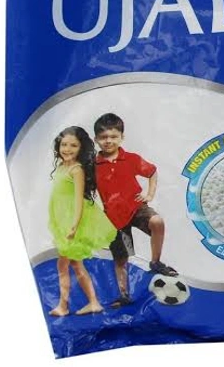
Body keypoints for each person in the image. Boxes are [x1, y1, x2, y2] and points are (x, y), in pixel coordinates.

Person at [94, 113, 177, 308]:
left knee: (157, 222)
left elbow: (152, 172)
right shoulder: (93, 165)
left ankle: (155, 262)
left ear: (122, 137)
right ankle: (124, 295)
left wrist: (150, 194)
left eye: (113, 136)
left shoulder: (131, 159)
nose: (108, 141)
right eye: (104, 137)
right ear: (96, 139)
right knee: (121, 259)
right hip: (113, 218)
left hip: (135, 207)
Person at [48, 126, 116, 316]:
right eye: (64, 144)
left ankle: (67, 305)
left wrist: (74, 226)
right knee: (71, 264)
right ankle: (89, 303)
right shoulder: (61, 167)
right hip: (62, 221)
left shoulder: (76, 170)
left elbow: (79, 200)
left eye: (73, 145)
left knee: (68, 264)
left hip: (73, 223)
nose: (67, 149)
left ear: (81, 148)